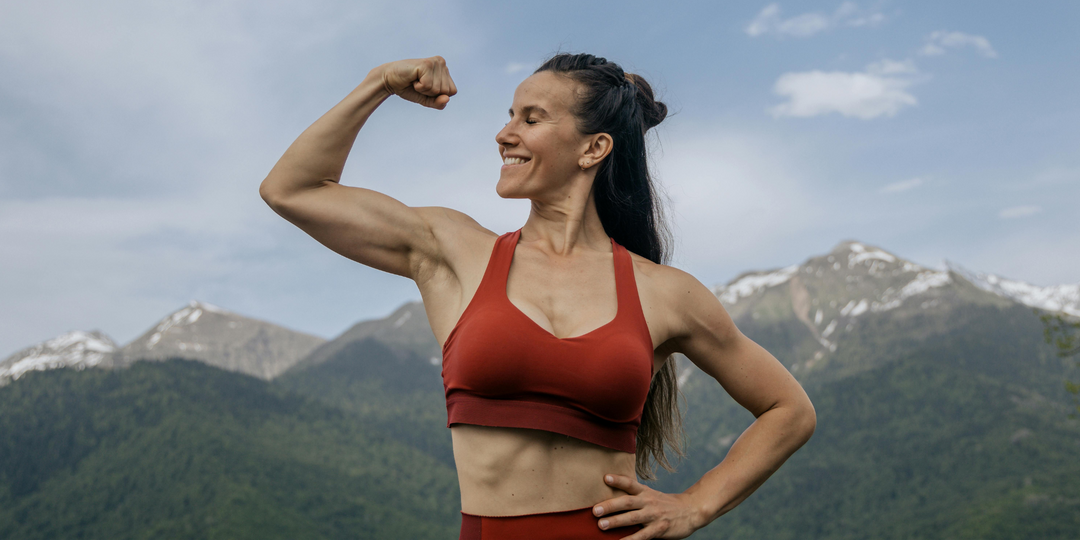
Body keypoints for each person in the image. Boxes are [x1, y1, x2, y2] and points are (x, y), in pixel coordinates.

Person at [259, 53, 816, 540]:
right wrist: (378, 82)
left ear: (593, 148)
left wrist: (695, 506)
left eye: (531, 118)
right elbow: (292, 190)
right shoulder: (453, 251)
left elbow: (788, 410)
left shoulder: (667, 293)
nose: (504, 134)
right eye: (509, 116)